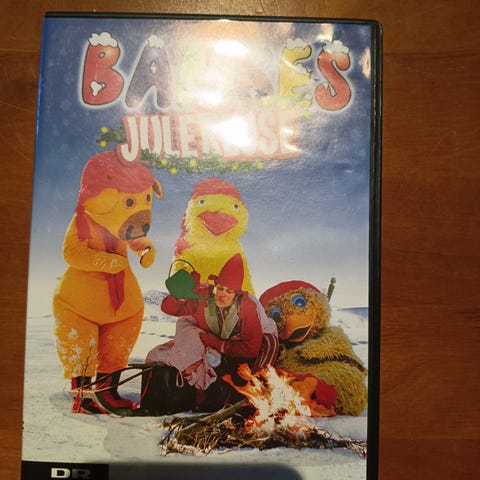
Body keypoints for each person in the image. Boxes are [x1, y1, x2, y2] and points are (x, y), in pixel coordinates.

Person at [154, 253, 279, 412]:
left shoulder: (248, 307)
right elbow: (168, 308)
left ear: (237, 294)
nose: (222, 295)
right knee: (216, 369)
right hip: (223, 341)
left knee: (264, 352)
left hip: (256, 341)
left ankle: (257, 396)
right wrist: (182, 295)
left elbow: (251, 348)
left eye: (229, 291)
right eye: (219, 288)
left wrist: (216, 343)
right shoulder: (203, 296)